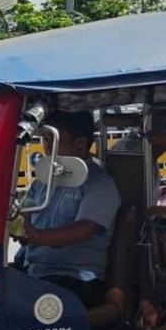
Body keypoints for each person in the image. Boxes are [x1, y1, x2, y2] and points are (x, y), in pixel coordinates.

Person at [14, 110, 123, 318]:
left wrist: (38, 236)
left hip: (75, 277)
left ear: (80, 144)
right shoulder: (43, 181)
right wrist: (15, 222)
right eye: (45, 139)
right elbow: (25, 210)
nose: (46, 147)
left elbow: (84, 229)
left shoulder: (100, 185)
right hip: (34, 269)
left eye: (52, 140)